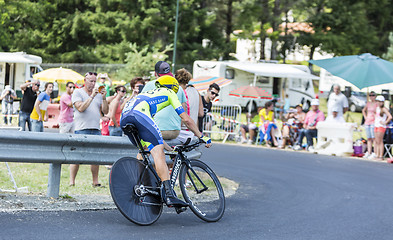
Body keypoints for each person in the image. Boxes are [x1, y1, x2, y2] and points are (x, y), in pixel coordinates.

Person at [120, 75, 211, 208]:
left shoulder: (147, 95)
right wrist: (201, 136)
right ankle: (169, 195)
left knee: (146, 150)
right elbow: (186, 119)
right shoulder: (169, 93)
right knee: (158, 153)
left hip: (125, 118)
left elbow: (152, 134)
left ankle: (138, 184)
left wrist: (170, 149)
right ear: (173, 88)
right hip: (140, 115)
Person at [70, 72, 109, 187]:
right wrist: (92, 96)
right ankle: (72, 182)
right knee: (76, 157)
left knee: (95, 157)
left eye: (94, 81)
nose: (93, 83)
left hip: (96, 128)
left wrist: (104, 98)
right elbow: (81, 108)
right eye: (91, 81)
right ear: (85, 81)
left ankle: (95, 181)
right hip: (81, 128)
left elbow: (105, 111)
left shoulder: (98, 95)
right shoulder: (78, 92)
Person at [141, 61, 187, 140]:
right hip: (175, 131)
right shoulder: (178, 87)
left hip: (158, 129)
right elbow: (183, 110)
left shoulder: (151, 85)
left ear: (156, 74)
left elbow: (140, 106)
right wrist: (177, 125)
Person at [174, 68, 204, 143]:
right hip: (194, 132)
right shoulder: (196, 92)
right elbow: (201, 113)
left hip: (182, 133)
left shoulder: (178, 93)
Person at [373, 95, 392, 161]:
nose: (378, 103)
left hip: (381, 126)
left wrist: (385, 122)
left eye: (379, 101)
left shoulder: (384, 109)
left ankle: (380, 156)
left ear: (382, 102)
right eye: (377, 101)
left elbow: (390, 116)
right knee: (377, 141)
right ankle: (377, 154)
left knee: (380, 141)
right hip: (376, 125)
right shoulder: (377, 108)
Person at [362, 91, 378, 159]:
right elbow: (364, 110)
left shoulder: (376, 104)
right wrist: (365, 117)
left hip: (373, 121)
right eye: (370, 95)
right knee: (368, 138)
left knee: (373, 138)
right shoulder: (368, 103)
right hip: (368, 121)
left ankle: (375, 152)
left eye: (373, 95)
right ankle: (369, 152)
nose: (372, 97)